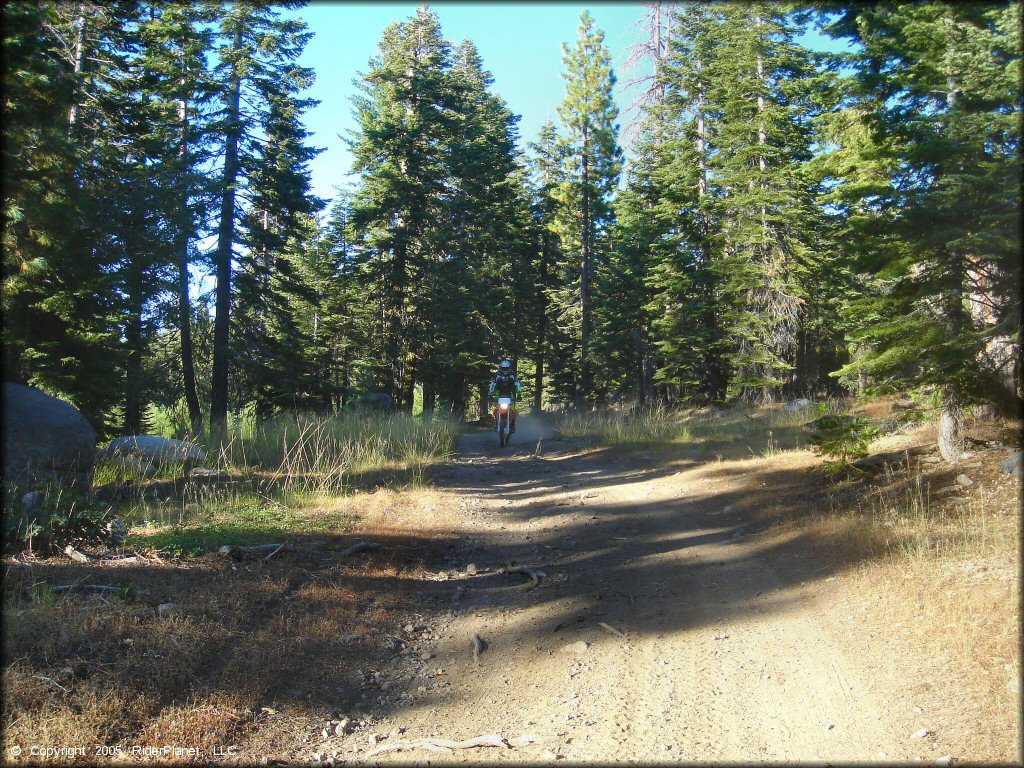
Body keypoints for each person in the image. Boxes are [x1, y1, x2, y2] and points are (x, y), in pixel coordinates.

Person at [488, 358, 522, 433]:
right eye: (504, 368)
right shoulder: (497, 374)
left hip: (510, 394)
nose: (505, 370)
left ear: (509, 367)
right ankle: (496, 422)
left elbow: (517, 384)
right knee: (496, 409)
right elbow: (493, 384)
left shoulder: (512, 374)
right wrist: (490, 394)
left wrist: (519, 395)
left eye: (506, 368)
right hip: (499, 394)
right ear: (501, 368)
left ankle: (512, 425)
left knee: (512, 410)